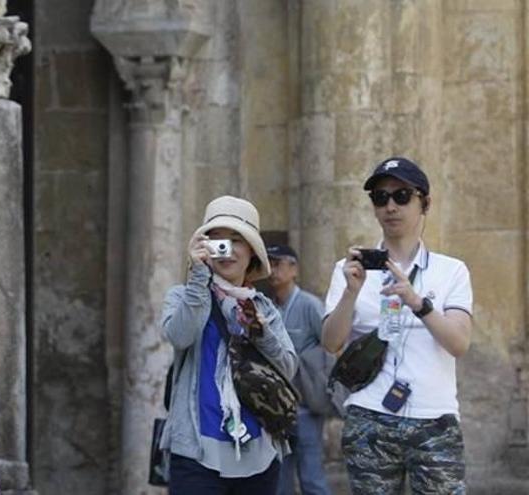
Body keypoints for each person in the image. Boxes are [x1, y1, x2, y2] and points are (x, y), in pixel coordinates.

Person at [322, 157, 473, 494]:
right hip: (369, 413)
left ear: (425, 203)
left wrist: (418, 303)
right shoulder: (348, 270)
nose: (390, 206)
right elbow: (331, 343)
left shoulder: (452, 271)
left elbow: (459, 343)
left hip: (434, 418)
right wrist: (351, 293)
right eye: (380, 197)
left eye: (402, 195)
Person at [159, 196, 298, 494]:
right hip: (197, 453)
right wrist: (197, 277)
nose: (227, 250)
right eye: (217, 240)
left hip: (259, 454)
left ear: (252, 253)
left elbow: (288, 366)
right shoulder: (183, 297)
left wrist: (261, 331)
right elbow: (180, 335)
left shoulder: (263, 307)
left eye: (237, 240)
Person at [266, 244, 332, 495]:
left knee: (312, 479)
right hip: (275, 410)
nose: (272, 270)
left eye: (278, 263)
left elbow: (332, 345)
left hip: (305, 408)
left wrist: (316, 384)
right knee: (279, 482)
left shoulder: (309, 305)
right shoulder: (268, 307)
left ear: (293, 268)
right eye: (268, 263)